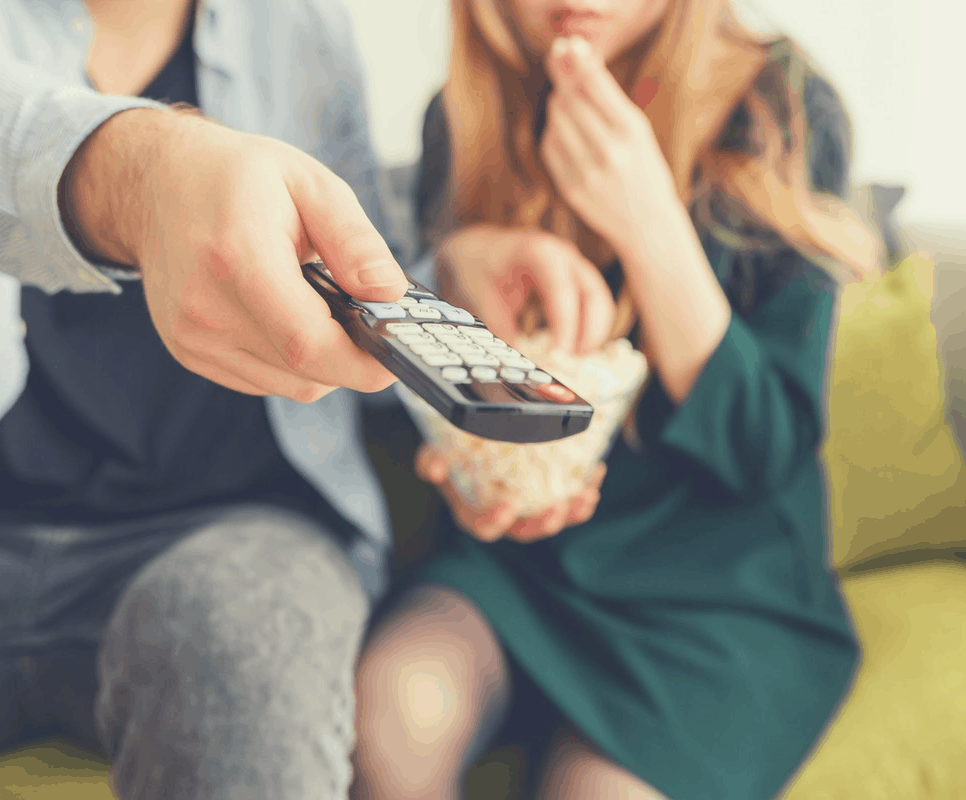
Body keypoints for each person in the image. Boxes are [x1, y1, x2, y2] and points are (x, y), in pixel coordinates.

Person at [0, 1, 573, 798]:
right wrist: (152, 178)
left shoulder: (299, 23)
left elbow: (357, 254)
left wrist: (447, 269)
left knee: (240, 642)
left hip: (238, 529)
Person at [351, 1, 881, 798]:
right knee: (389, 714)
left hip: (719, 592)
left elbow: (765, 449)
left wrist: (648, 221)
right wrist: (455, 271)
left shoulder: (781, 104)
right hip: (524, 569)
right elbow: (458, 413)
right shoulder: (463, 115)